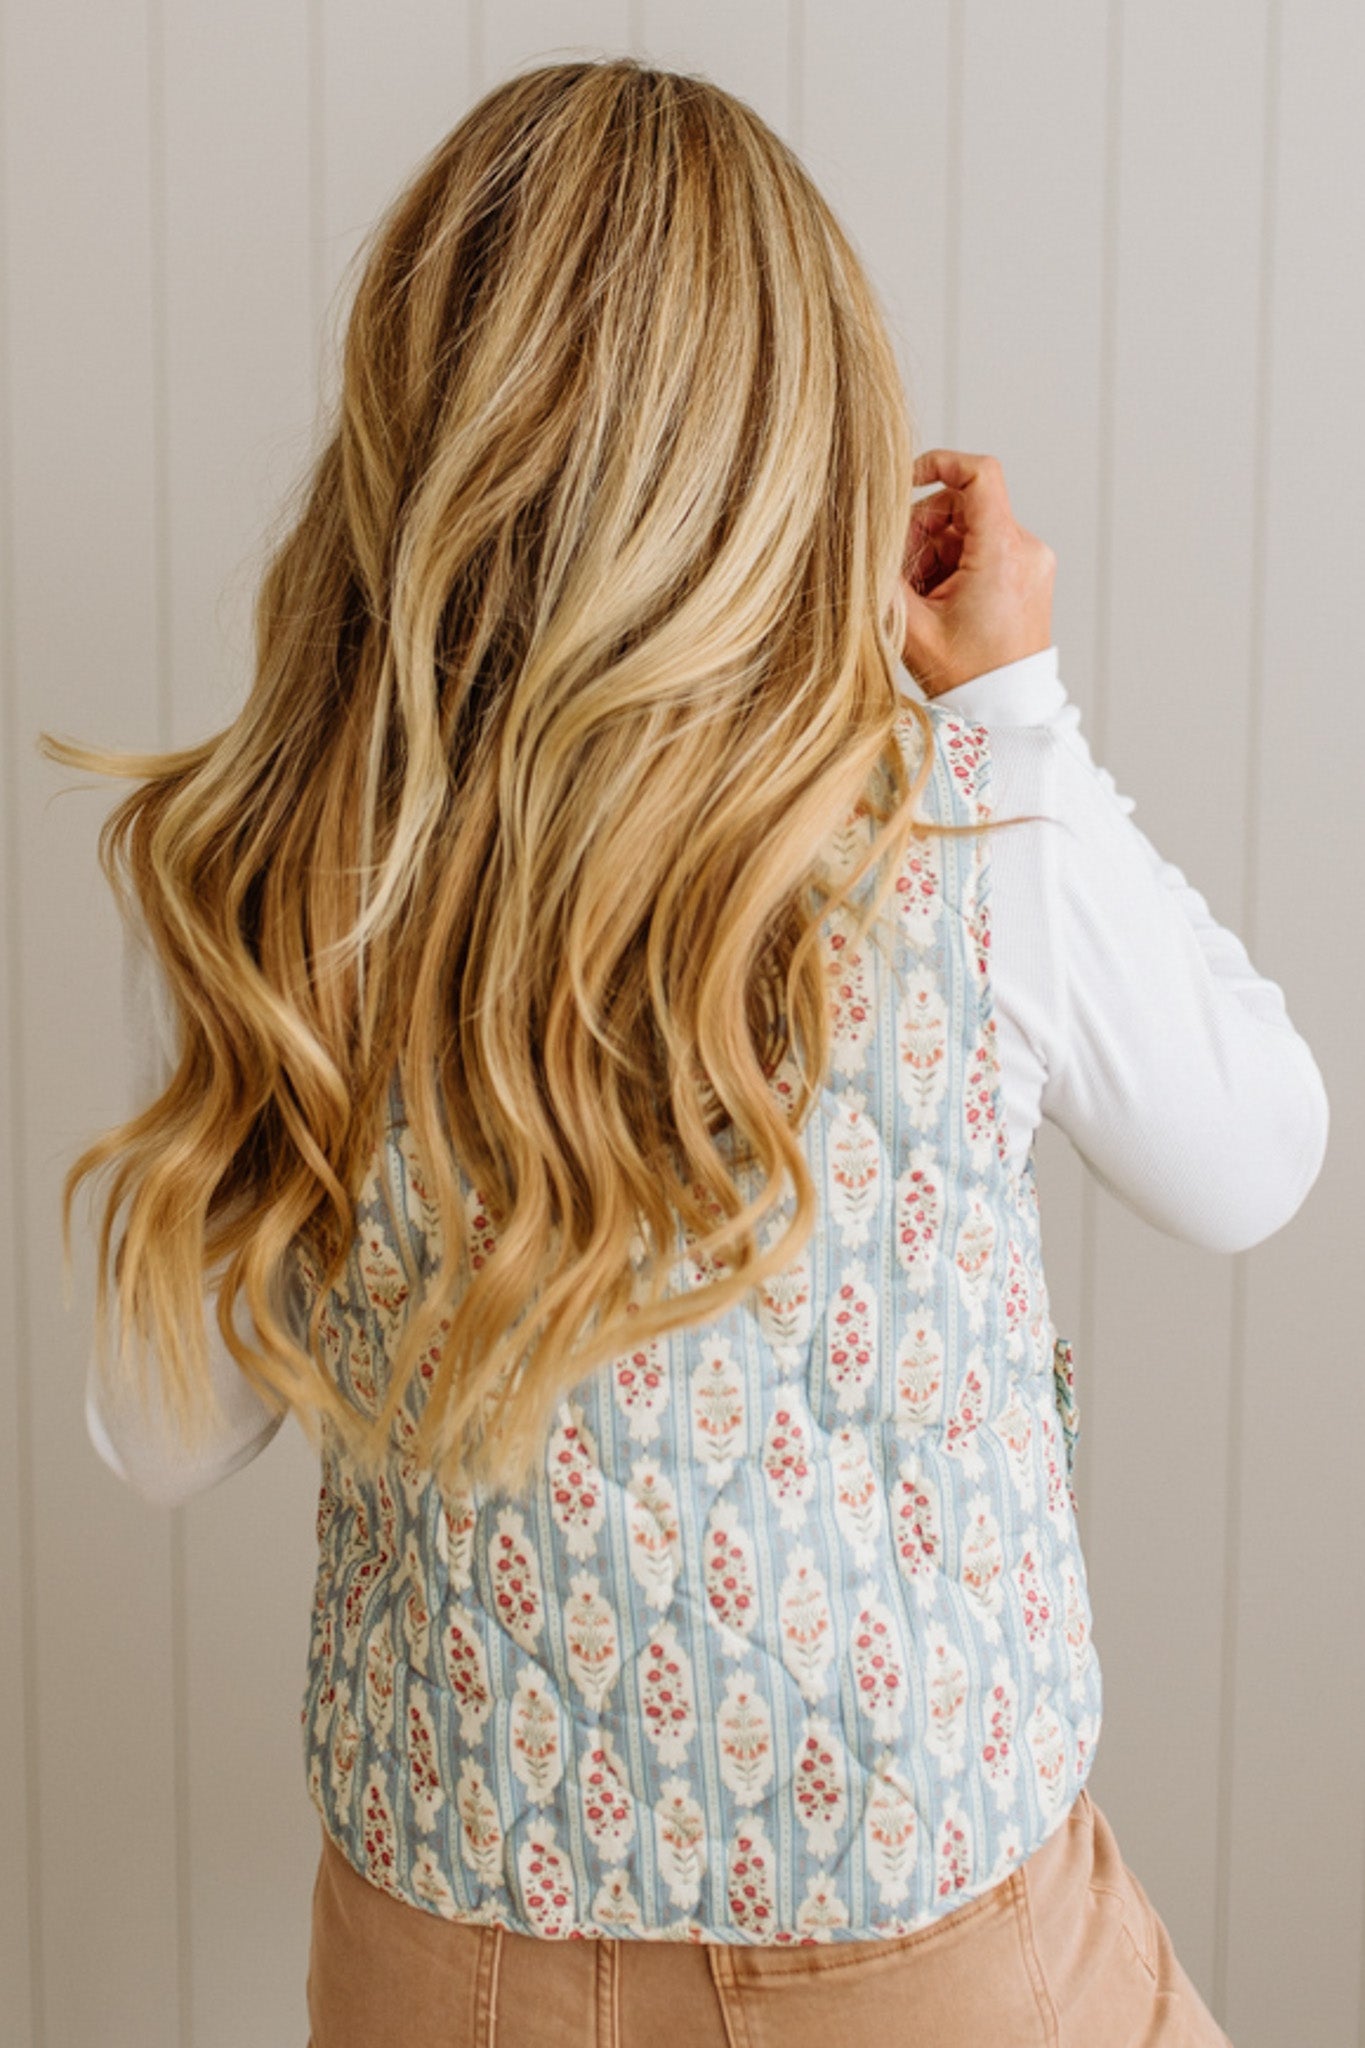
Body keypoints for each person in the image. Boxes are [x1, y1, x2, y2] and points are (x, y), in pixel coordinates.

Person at [48, 56, 1325, 2048]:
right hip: (917, 1927)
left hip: (443, 1947)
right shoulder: (966, 826)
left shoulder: (294, 868)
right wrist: (1018, 720)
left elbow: (157, 1438)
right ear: (802, 457)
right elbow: (1254, 1161)